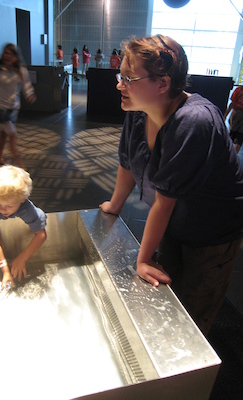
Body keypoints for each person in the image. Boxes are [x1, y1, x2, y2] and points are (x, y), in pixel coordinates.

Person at [100, 34, 243, 336]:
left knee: (194, 308)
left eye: (128, 78)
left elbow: (165, 201)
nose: (119, 84)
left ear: (163, 83)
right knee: (167, 291)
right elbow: (128, 164)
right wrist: (114, 206)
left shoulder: (194, 122)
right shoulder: (139, 110)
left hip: (213, 232)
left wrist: (142, 259)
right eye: (120, 76)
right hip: (174, 222)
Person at [0, 165, 47, 289]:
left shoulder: (28, 210)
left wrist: (22, 258)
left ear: (22, 199)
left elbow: (41, 235)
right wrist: (5, 270)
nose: (2, 209)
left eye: (9, 206)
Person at [0, 43, 36, 166]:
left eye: (10, 53)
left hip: (14, 107)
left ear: (15, 57)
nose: (6, 56)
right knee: (12, 134)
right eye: (5, 53)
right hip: (1, 107)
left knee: (4, 132)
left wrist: (29, 94)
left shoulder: (20, 70)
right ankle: (18, 162)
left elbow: (26, 85)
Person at [224, 85, 243, 153]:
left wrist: (226, 114)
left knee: (232, 133)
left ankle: (228, 153)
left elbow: (232, 103)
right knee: (240, 136)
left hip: (236, 112)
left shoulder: (238, 90)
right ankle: (235, 155)